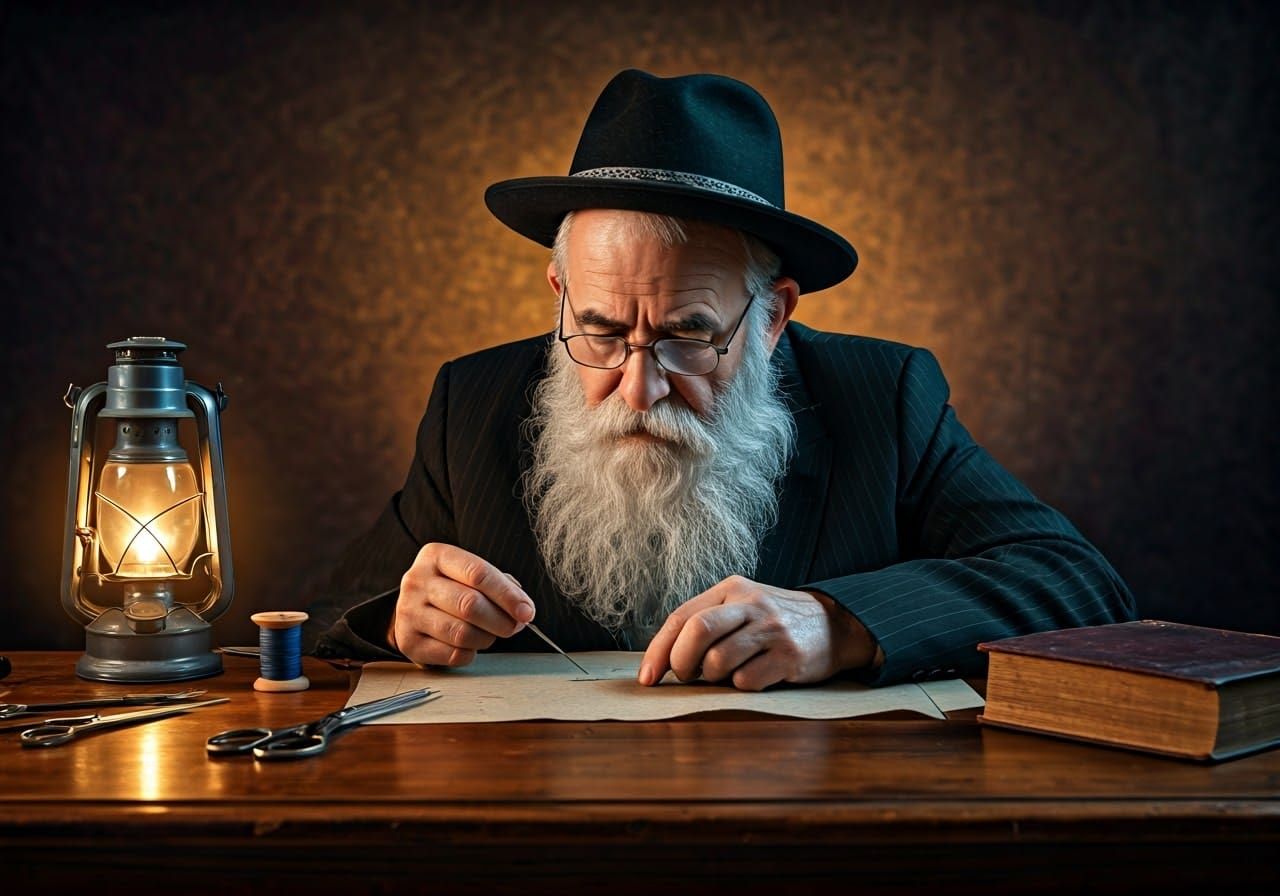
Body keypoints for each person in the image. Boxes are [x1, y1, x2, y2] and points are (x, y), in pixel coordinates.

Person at [305, 69, 1134, 689]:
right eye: (599, 330)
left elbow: (1080, 585)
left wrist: (841, 623)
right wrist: (400, 616)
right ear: (561, 295)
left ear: (772, 316)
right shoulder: (472, 402)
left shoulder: (882, 398)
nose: (638, 387)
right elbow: (333, 618)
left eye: (686, 337)